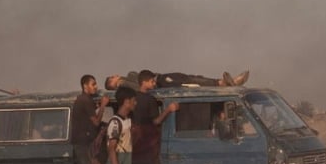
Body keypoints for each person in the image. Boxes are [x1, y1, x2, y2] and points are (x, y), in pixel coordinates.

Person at [69, 74, 105, 164]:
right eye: (93, 84)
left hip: (79, 142)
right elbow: (96, 122)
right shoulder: (86, 100)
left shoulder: (81, 100)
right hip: (84, 143)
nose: (96, 87)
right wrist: (102, 106)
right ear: (85, 86)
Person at [106, 68, 249, 90]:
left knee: (191, 78)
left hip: (160, 78)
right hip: (160, 82)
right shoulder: (123, 84)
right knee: (189, 82)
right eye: (112, 78)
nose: (115, 76)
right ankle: (222, 84)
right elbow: (141, 87)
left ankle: (222, 82)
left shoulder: (128, 77)